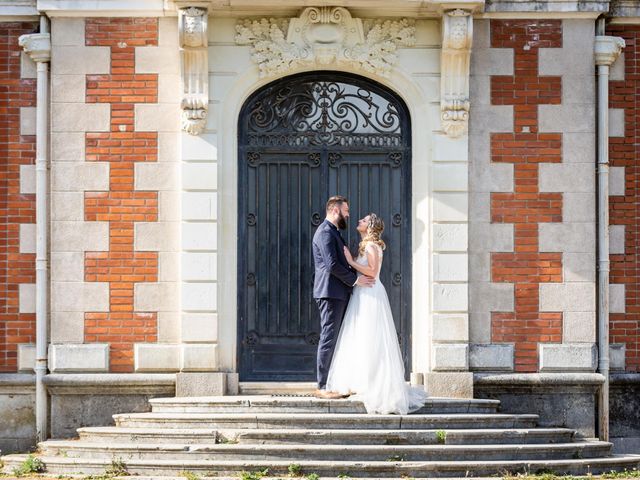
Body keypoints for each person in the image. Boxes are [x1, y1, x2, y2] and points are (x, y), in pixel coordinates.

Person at [326, 213, 428, 414]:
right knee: (360, 336)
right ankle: (361, 379)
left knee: (370, 336)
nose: (359, 221)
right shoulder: (366, 245)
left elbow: (372, 272)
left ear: (370, 226)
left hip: (370, 293)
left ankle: (372, 382)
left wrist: (350, 261)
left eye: (363, 220)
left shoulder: (373, 246)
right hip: (362, 292)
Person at [312, 196, 376, 400]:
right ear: (335, 210)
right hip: (330, 293)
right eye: (346, 210)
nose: (348, 214)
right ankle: (322, 386)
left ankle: (333, 382)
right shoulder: (325, 232)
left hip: (338, 292)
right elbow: (331, 265)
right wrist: (355, 281)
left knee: (335, 338)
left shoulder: (334, 232)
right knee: (328, 338)